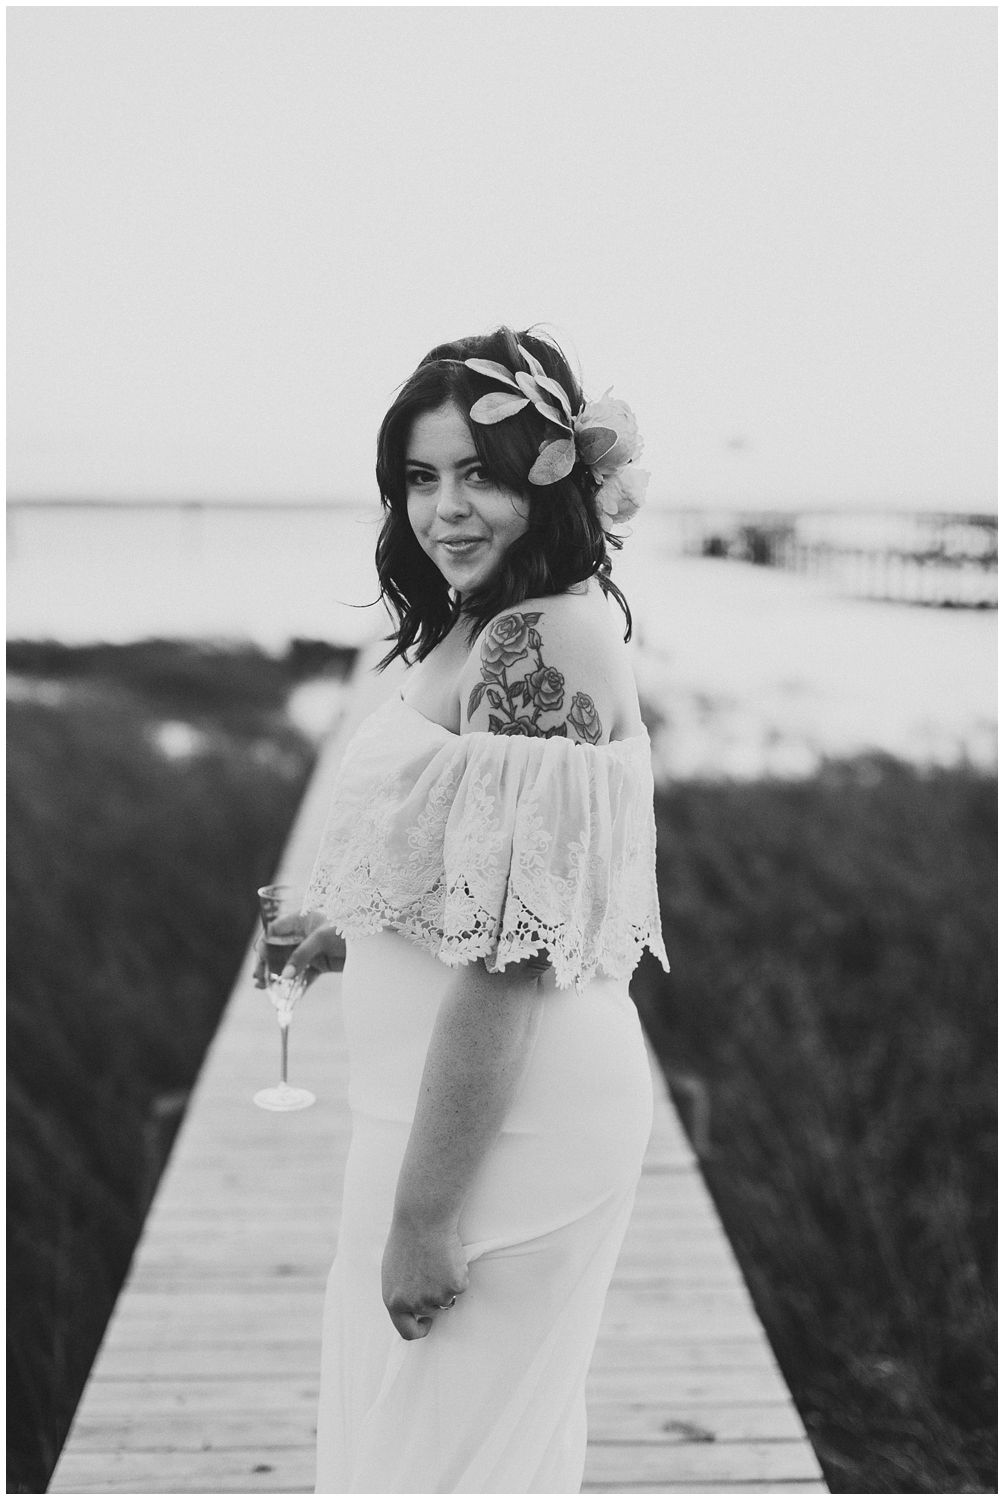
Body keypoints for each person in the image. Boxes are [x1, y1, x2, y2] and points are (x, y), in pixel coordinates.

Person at [276, 325, 669, 1493]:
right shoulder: (477, 620)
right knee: (414, 1446)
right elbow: (472, 872)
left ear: (552, 478)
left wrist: (425, 1220)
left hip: (509, 1132)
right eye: (418, 476)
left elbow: (507, 960)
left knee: (441, 1463)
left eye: (480, 473)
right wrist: (349, 929)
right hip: (427, 1110)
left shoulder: (539, 641)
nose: (443, 508)